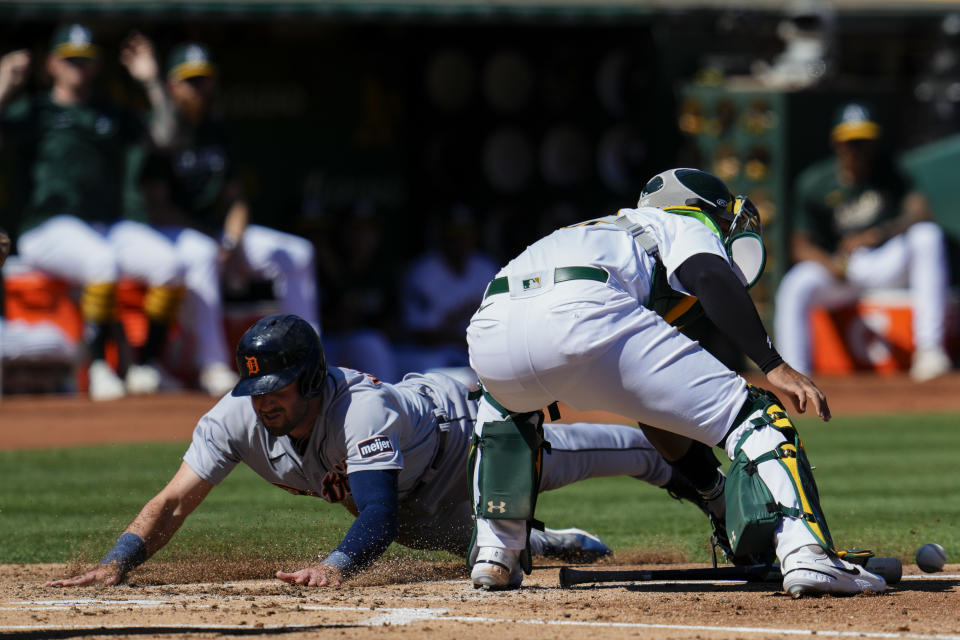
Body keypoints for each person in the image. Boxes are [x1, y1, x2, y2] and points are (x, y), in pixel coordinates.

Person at [45, 313, 719, 589]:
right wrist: (118, 563)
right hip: (414, 501)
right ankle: (555, 542)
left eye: (278, 388)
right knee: (478, 553)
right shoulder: (235, 419)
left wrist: (336, 566)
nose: (264, 401)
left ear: (312, 379)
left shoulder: (359, 410)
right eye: (256, 388)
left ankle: (705, 480)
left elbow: (375, 521)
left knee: (622, 451)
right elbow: (173, 502)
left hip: (473, 445)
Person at [465, 167, 887, 598]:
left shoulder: (591, 232)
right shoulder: (680, 220)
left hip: (491, 329)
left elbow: (657, 414)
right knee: (753, 414)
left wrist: (714, 492)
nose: (723, 231)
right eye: (722, 221)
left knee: (504, 413)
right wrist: (772, 363)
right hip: (585, 312)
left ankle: (496, 553)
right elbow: (709, 275)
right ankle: (807, 554)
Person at [0, 25, 183, 400]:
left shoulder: (109, 112)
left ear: (96, 66)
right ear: (52, 64)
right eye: (70, 59)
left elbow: (166, 139)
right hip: (45, 227)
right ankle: (100, 367)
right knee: (102, 262)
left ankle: (146, 365)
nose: (78, 67)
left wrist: (150, 83)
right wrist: (3, 83)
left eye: (85, 60)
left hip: (105, 225)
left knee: (171, 264)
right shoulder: (34, 110)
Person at [149, 43, 318, 397]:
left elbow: (237, 198)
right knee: (202, 253)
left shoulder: (217, 129)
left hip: (219, 235)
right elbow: (157, 206)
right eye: (190, 81)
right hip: (174, 234)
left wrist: (232, 241)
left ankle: (309, 355)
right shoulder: (162, 132)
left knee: (297, 253)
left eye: (203, 80)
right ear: (172, 86)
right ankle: (213, 365)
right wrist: (216, 242)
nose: (198, 88)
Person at [775, 102, 952, 382]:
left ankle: (930, 350)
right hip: (842, 268)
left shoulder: (889, 170)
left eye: (864, 142)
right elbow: (799, 245)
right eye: (852, 142)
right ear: (837, 143)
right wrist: (829, 264)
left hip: (885, 261)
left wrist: (879, 233)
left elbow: (921, 211)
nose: (858, 150)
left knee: (927, 236)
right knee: (795, 283)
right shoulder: (816, 182)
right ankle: (794, 373)